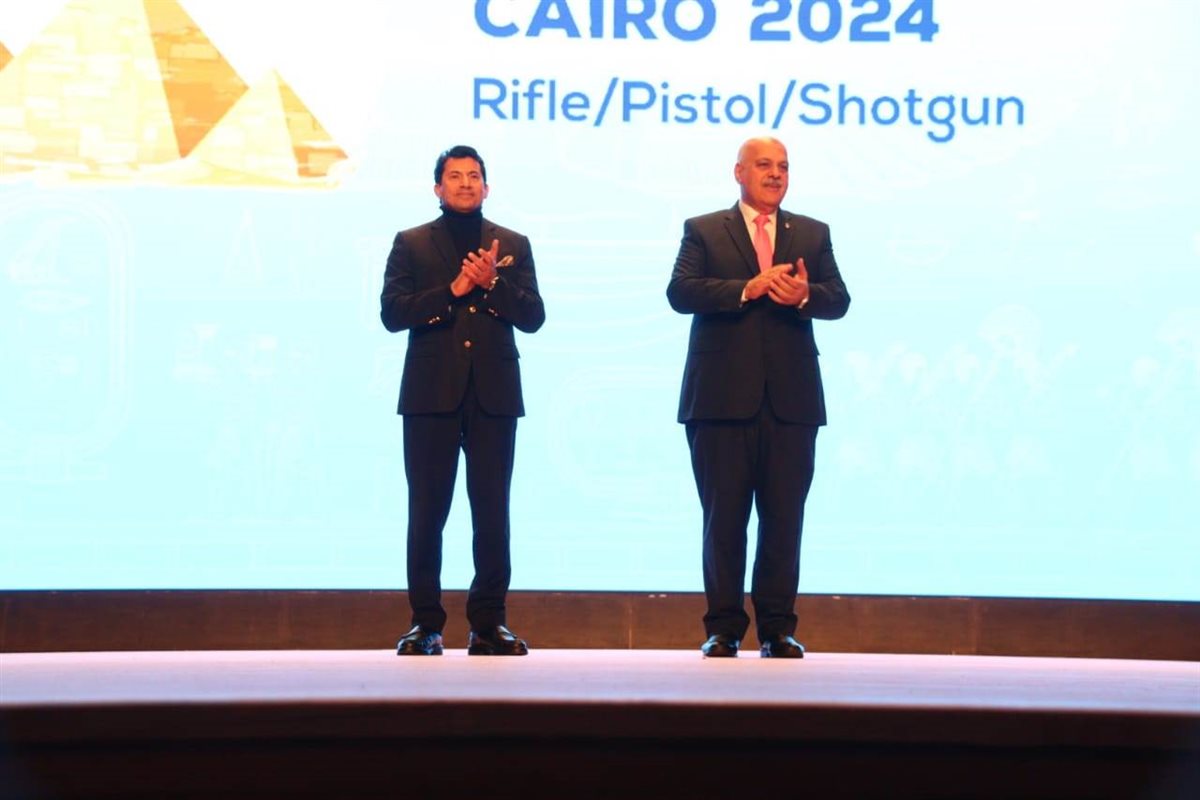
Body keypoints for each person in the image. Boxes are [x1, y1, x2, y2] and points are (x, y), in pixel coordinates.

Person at [666, 136, 850, 658]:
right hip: (720, 401)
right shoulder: (704, 229)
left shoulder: (812, 233)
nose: (775, 174)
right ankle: (723, 629)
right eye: (764, 165)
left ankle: (777, 629)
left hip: (791, 402)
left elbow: (839, 299)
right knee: (724, 520)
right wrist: (747, 288)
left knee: (784, 520)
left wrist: (806, 295)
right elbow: (681, 292)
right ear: (739, 172)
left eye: (783, 166)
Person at [381, 145, 545, 656]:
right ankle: (425, 624)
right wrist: (452, 290)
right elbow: (392, 313)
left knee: (492, 511)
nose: (466, 183)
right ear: (438, 187)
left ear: (487, 187)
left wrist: (492, 283)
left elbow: (533, 316)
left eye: (474, 176)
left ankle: (488, 624)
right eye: (455, 176)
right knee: (427, 511)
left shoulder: (512, 243)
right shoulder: (411, 243)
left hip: (494, 394)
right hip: (430, 395)